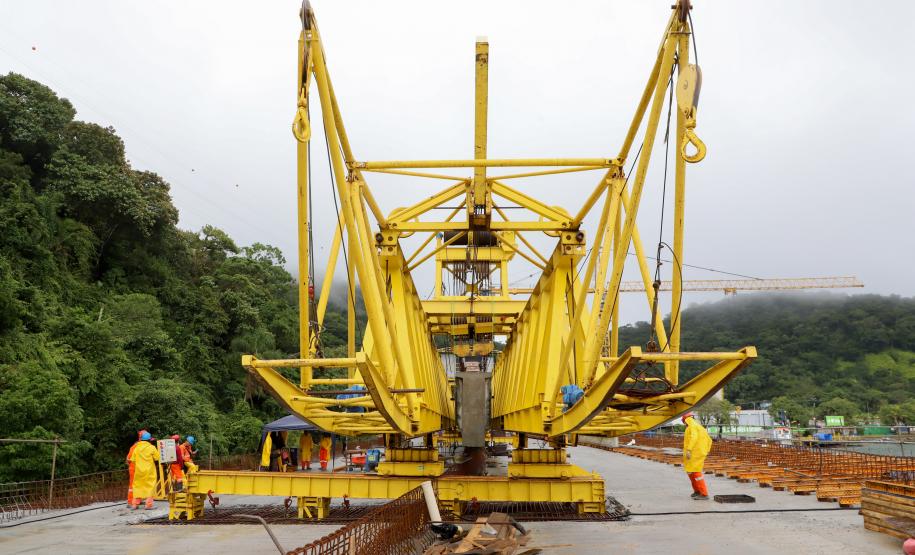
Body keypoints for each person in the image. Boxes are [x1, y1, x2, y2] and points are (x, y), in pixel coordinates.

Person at [682, 412, 712, 500]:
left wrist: (689, 450)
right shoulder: (699, 427)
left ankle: (704, 494)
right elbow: (709, 440)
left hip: (694, 453)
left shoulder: (692, 426)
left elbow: (693, 437)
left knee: (696, 472)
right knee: (690, 471)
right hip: (697, 453)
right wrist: (707, 450)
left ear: (685, 420)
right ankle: (697, 491)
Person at [128, 431, 160, 509]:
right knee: (150, 487)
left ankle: (134, 504)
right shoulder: (152, 447)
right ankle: (148, 505)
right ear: (149, 440)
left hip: (138, 471)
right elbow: (157, 458)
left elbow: (132, 459)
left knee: (137, 486)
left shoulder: (136, 448)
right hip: (149, 471)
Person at [126, 429, 147, 505]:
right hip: (134, 468)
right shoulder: (137, 446)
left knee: (139, 484)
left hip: (138, 468)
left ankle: (138, 500)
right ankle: (131, 501)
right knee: (133, 485)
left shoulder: (138, 446)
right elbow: (128, 459)